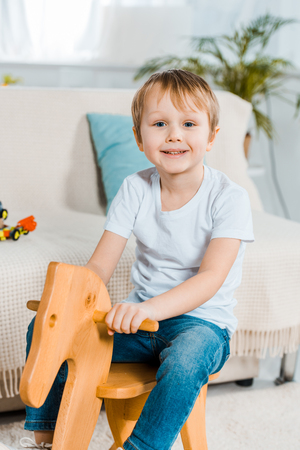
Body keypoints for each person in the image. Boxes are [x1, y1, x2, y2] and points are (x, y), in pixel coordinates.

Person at [3, 69, 254, 450]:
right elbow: (99, 267)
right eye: (159, 123)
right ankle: (46, 438)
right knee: (48, 327)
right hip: (140, 325)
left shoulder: (228, 198)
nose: (174, 134)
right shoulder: (135, 188)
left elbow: (211, 278)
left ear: (211, 136)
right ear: (139, 137)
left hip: (202, 326)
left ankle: (141, 447)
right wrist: (71, 304)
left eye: (189, 123)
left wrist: (147, 308)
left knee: (186, 361)